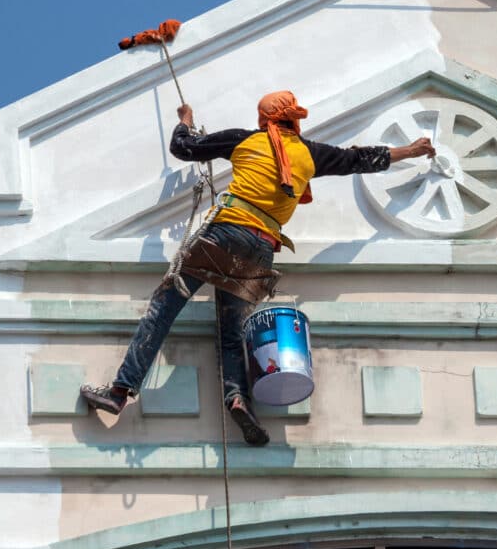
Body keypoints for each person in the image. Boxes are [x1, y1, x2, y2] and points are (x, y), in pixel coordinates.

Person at [80, 90, 435, 445]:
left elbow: (183, 147)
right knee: (232, 333)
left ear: (264, 119)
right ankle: (237, 399)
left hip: (224, 234)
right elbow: (360, 159)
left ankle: (120, 391)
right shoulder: (310, 153)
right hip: (261, 249)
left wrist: (185, 119)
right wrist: (411, 151)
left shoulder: (244, 140)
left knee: (163, 309)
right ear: (294, 120)